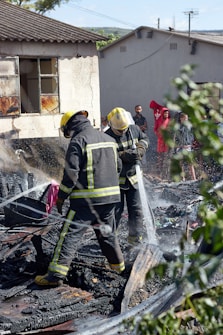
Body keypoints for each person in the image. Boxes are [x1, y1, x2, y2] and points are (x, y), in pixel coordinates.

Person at [35, 110, 125, 287]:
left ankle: (55, 275)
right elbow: (118, 167)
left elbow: (71, 174)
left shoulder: (78, 141)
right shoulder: (110, 140)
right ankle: (118, 266)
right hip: (111, 199)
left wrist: (61, 197)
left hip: (86, 201)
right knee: (107, 233)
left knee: (69, 235)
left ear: (70, 126)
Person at [105, 107, 149, 246]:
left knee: (136, 211)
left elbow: (145, 138)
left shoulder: (134, 129)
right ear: (111, 125)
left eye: (124, 128)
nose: (123, 131)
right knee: (115, 214)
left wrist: (141, 147)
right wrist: (122, 155)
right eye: (119, 130)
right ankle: (112, 243)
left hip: (134, 181)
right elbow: (106, 156)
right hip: (116, 183)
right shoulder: (107, 136)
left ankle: (134, 241)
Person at [174, 112, 197, 181]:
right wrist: (181, 146)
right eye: (185, 119)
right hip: (181, 147)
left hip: (188, 147)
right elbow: (176, 139)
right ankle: (182, 178)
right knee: (181, 163)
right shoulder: (178, 128)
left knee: (191, 163)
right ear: (181, 119)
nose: (186, 120)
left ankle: (194, 178)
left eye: (187, 119)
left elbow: (191, 136)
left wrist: (191, 143)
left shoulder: (189, 127)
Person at [154, 107, 171, 180]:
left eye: (167, 113)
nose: (166, 114)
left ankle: (166, 173)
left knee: (166, 156)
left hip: (167, 140)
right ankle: (159, 172)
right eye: (165, 113)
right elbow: (155, 129)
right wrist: (159, 134)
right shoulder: (158, 120)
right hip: (160, 140)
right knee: (160, 156)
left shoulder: (169, 121)